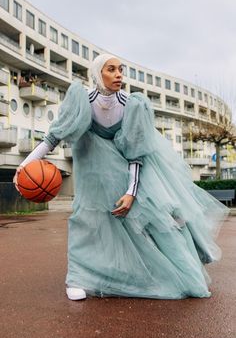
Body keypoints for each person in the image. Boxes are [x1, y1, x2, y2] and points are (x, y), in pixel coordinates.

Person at [14, 54, 229, 301]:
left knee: (155, 220)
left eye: (121, 70)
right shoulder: (82, 100)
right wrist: (25, 165)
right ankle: (77, 278)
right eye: (111, 69)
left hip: (128, 171)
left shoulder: (132, 104)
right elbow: (54, 137)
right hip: (92, 170)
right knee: (86, 221)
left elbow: (136, 154)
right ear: (97, 74)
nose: (119, 75)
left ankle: (158, 272)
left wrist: (131, 192)